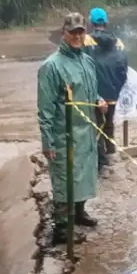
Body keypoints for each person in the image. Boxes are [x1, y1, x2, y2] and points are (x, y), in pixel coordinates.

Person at [37, 12, 108, 243]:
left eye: (81, 31)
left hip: (86, 130)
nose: (77, 36)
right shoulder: (51, 67)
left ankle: (79, 212)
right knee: (64, 178)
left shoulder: (87, 61)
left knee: (85, 174)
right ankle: (61, 227)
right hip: (64, 134)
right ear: (63, 34)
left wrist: (98, 100)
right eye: (73, 32)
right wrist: (47, 141)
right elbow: (45, 108)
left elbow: (89, 89)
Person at [84, 7, 128, 172]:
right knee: (109, 122)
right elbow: (124, 69)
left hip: (93, 93)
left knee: (95, 124)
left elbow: (82, 67)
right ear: (106, 22)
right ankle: (110, 151)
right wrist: (116, 89)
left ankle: (100, 161)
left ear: (91, 22)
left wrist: (94, 93)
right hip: (112, 92)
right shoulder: (119, 42)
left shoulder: (85, 41)